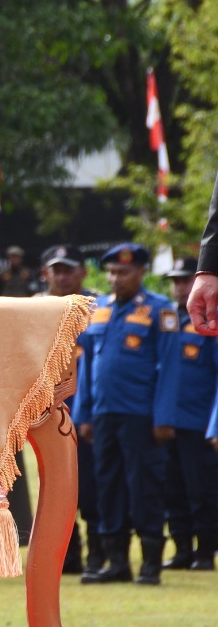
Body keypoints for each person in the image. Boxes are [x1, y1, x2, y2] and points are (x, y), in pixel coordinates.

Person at [75, 243, 176, 585]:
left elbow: (170, 368)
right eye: (112, 272)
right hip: (104, 413)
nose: (116, 278)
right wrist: (83, 413)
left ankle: (150, 563)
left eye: (124, 272)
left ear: (141, 272)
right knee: (108, 485)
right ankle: (116, 561)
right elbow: (88, 365)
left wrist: (163, 418)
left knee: (144, 485)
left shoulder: (160, 311)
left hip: (141, 415)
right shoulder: (98, 309)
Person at [38, 243, 103, 574]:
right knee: (54, 489)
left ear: (82, 272)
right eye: (56, 270)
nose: (61, 276)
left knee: (90, 486)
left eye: (68, 269)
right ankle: (67, 556)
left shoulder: (100, 309)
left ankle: (97, 553)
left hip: (85, 411)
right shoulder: (36, 312)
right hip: (48, 415)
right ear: (46, 273)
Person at [155, 257, 217, 571]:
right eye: (176, 281)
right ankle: (181, 550)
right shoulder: (164, 320)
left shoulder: (210, 321)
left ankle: (205, 552)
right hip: (167, 421)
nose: (180, 287)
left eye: (186, 280)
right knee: (172, 489)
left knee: (202, 490)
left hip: (199, 422)